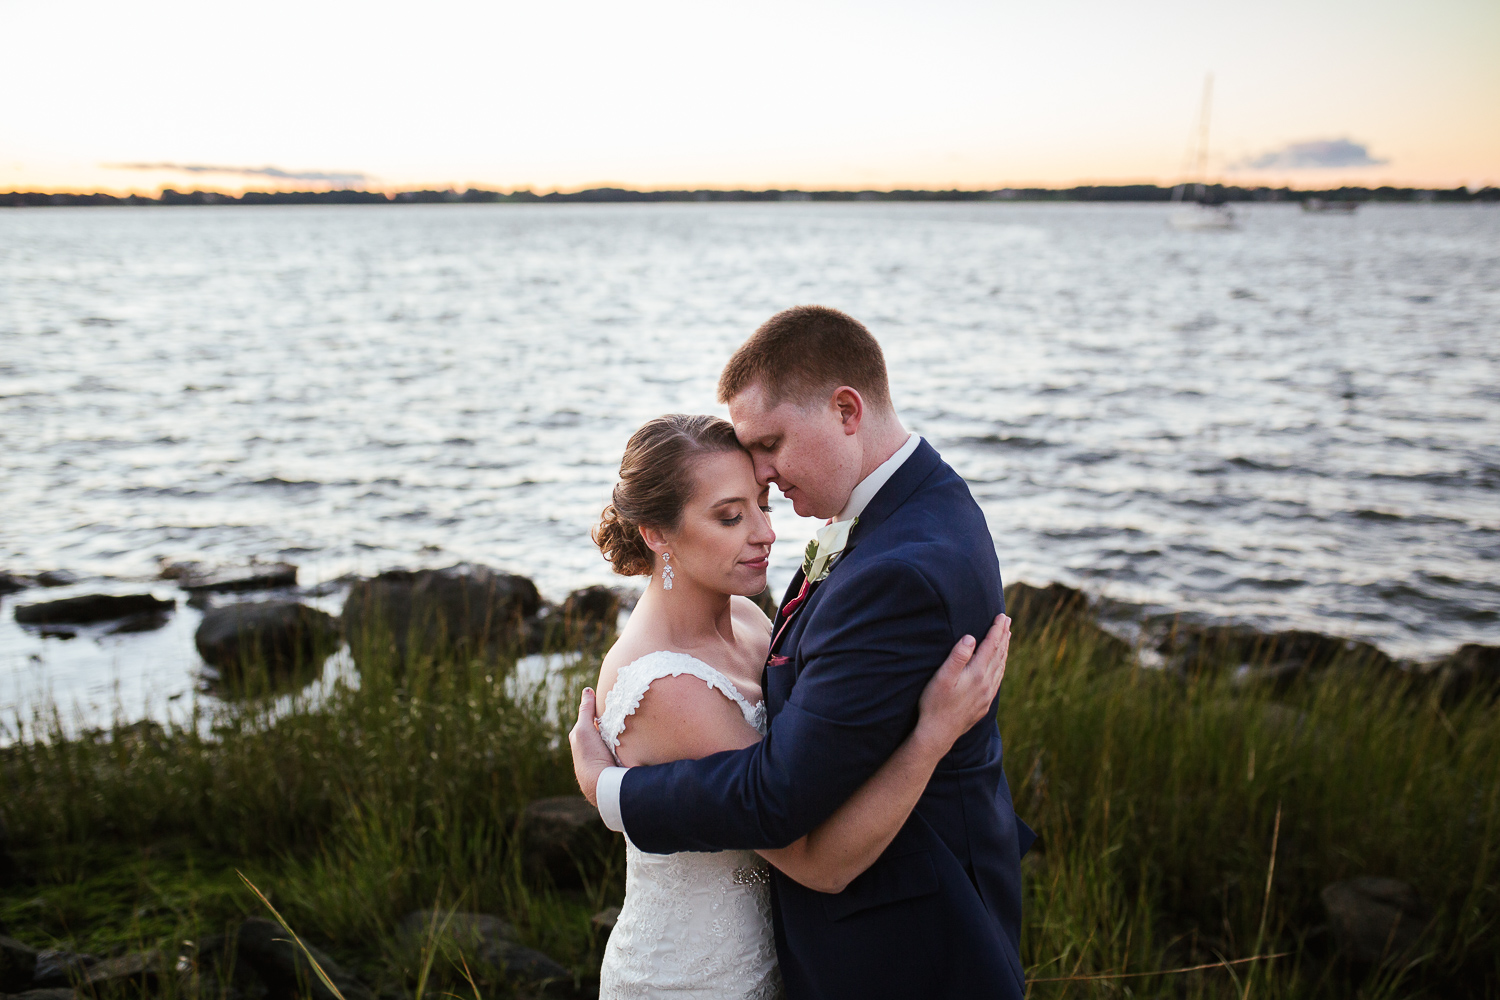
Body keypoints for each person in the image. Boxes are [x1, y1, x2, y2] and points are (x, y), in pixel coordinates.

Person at [573, 305, 1033, 1000]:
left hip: (906, 947)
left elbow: (778, 797)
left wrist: (612, 794)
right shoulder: (924, 506)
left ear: (847, 410)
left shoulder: (889, 571)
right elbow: (787, 796)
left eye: (769, 454)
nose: (768, 511)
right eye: (733, 510)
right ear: (658, 534)